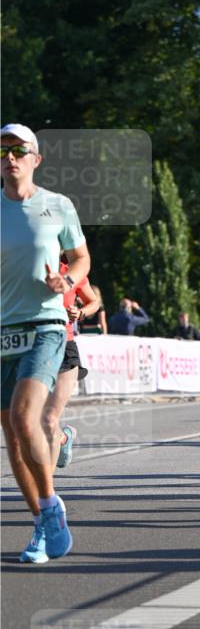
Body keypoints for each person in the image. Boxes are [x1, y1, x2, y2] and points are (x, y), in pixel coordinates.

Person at [1, 123, 89, 563]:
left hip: (46, 326)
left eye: (18, 150)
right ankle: (42, 522)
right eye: (2, 151)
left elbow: (81, 257)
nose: (9, 158)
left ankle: (51, 505)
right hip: (2, 331)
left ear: (36, 158)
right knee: (14, 440)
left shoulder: (57, 205)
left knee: (25, 416)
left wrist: (67, 282)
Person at [41, 255, 100, 476]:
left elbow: (94, 302)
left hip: (64, 347)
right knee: (33, 419)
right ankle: (63, 438)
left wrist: (81, 312)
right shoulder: (25, 267)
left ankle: (45, 491)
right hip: (33, 349)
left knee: (49, 419)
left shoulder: (73, 271)